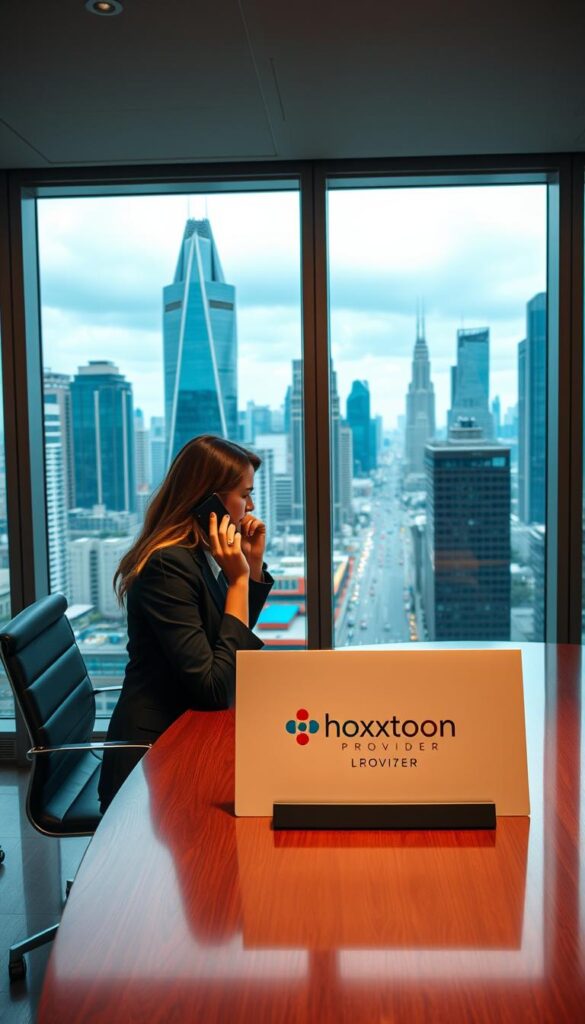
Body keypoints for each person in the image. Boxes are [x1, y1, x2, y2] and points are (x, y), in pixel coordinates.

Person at [98, 434, 273, 812]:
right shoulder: (167, 566)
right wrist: (238, 581)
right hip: (153, 758)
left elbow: (228, 637)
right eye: (244, 495)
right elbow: (214, 687)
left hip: (187, 733)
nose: (251, 506)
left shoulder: (199, 554)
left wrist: (252, 565)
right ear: (210, 500)